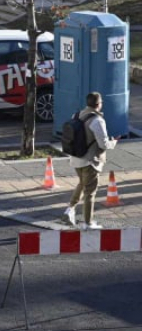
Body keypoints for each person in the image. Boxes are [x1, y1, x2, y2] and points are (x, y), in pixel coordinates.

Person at [62, 92, 119, 230]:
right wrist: (113, 142)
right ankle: (88, 223)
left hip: (75, 158)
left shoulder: (76, 115)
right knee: (90, 192)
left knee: (82, 184)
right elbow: (103, 144)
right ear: (98, 104)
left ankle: (70, 210)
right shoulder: (97, 121)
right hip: (90, 161)